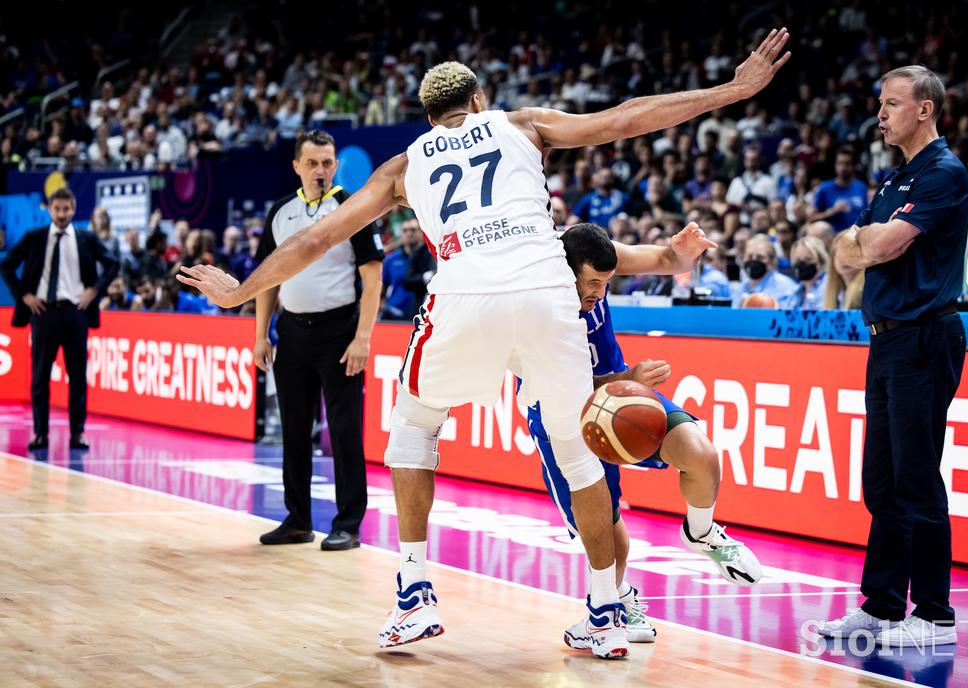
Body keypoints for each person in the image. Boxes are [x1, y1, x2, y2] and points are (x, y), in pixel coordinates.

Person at [177, 29, 790, 658]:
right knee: (580, 454)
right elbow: (622, 120)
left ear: (430, 116)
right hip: (546, 285)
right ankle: (605, 611)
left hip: (465, 289)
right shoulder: (519, 124)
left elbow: (317, 239)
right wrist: (731, 90)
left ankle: (414, 596)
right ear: (478, 100)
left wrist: (240, 290)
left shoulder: (406, 164)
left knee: (412, 427)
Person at [531, 223, 762, 648]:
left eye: (606, 281)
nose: (599, 292)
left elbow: (664, 261)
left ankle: (702, 530)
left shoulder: (589, 249)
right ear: (565, 274)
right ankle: (612, 604)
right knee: (606, 526)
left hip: (620, 394)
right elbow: (573, 386)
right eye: (592, 284)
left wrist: (683, 254)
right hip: (561, 412)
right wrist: (629, 377)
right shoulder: (537, 302)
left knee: (700, 453)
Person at [819, 66, 968, 648]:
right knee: (880, 482)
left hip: (923, 336)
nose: (879, 115)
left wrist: (863, 243)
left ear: (924, 109)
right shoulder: (894, 180)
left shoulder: (943, 173)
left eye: (890, 104)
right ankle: (882, 605)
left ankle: (933, 616)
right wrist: (860, 244)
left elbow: (875, 245)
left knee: (914, 478)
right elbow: (843, 252)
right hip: (886, 339)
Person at [253, 130, 384, 552]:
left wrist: (363, 337)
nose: (321, 170)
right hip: (292, 332)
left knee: (345, 432)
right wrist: (260, 335)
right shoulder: (281, 212)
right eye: (312, 163)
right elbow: (266, 279)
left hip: (339, 332)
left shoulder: (352, 206)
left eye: (327, 163)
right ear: (296, 166)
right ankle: (297, 520)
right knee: (294, 430)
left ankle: (348, 523)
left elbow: (372, 275)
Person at [0, 188, 118, 450]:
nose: (62, 214)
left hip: (76, 312)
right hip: (44, 313)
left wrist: (95, 289)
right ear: (50, 210)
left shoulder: (86, 238)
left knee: (78, 376)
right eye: (57, 209)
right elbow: (6, 265)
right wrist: (24, 296)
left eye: (67, 209)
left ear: (74, 209)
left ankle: (77, 433)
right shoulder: (35, 237)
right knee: (39, 376)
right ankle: (40, 433)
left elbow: (113, 264)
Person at [810, 146, 869, 232]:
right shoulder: (824, 188)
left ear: (853, 166)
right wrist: (832, 211)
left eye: (847, 164)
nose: (843, 168)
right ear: (835, 165)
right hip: (833, 238)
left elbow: (868, 215)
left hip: (856, 237)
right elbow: (811, 218)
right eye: (839, 163)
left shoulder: (861, 187)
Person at [731, 233, 798, 307]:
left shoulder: (785, 287)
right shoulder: (740, 288)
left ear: (772, 261)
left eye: (760, 257)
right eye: (749, 256)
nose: (754, 260)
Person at [790, 236, 829, 309]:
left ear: (821, 260)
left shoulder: (829, 286)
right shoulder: (795, 291)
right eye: (798, 260)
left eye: (808, 259)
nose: (802, 264)